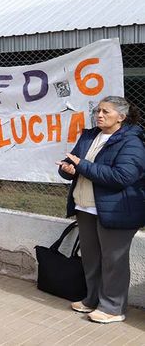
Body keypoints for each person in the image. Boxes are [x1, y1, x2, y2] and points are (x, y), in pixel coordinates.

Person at [57, 96, 145, 324]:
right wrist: (68, 170)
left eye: (106, 112)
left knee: (113, 260)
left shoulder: (131, 142)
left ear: (121, 117)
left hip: (116, 210)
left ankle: (113, 307)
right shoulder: (89, 136)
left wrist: (82, 165)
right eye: (98, 111)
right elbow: (74, 164)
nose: (99, 115)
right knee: (91, 258)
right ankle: (92, 299)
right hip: (85, 205)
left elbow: (123, 176)